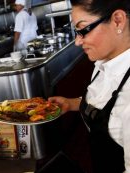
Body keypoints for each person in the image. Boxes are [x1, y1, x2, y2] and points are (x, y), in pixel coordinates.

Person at [48, 0, 130, 173]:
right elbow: (107, 102)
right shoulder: (103, 62)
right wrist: (72, 103)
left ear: (118, 20)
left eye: (83, 30)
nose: (78, 42)